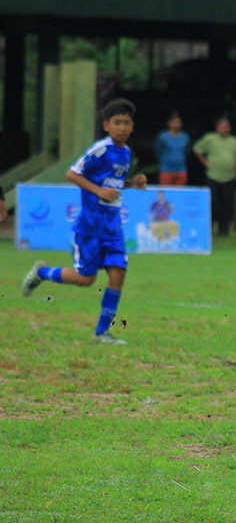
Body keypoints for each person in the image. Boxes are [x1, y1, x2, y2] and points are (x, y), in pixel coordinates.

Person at [21, 98, 148, 344]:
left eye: (126, 123)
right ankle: (42, 272)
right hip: (90, 228)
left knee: (118, 274)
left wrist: (134, 184)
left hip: (113, 228)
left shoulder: (126, 152)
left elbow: (113, 184)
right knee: (85, 280)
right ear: (106, 125)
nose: (122, 127)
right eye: (117, 123)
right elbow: (72, 173)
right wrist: (99, 192)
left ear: (132, 126)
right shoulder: (100, 149)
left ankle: (102, 332)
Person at [194, 117, 236, 237]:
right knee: (213, 203)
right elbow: (197, 149)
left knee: (226, 204)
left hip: (229, 178)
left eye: (227, 127)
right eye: (222, 126)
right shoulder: (210, 139)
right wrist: (206, 163)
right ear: (217, 128)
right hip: (213, 176)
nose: (224, 129)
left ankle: (224, 230)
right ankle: (208, 228)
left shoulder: (235, 141)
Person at [155, 112, 190, 186]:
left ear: (181, 124)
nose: (176, 125)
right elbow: (158, 150)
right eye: (174, 122)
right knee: (166, 193)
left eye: (178, 122)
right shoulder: (163, 136)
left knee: (179, 193)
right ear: (169, 123)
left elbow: (186, 151)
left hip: (181, 169)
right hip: (166, 170)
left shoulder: (185, 137)